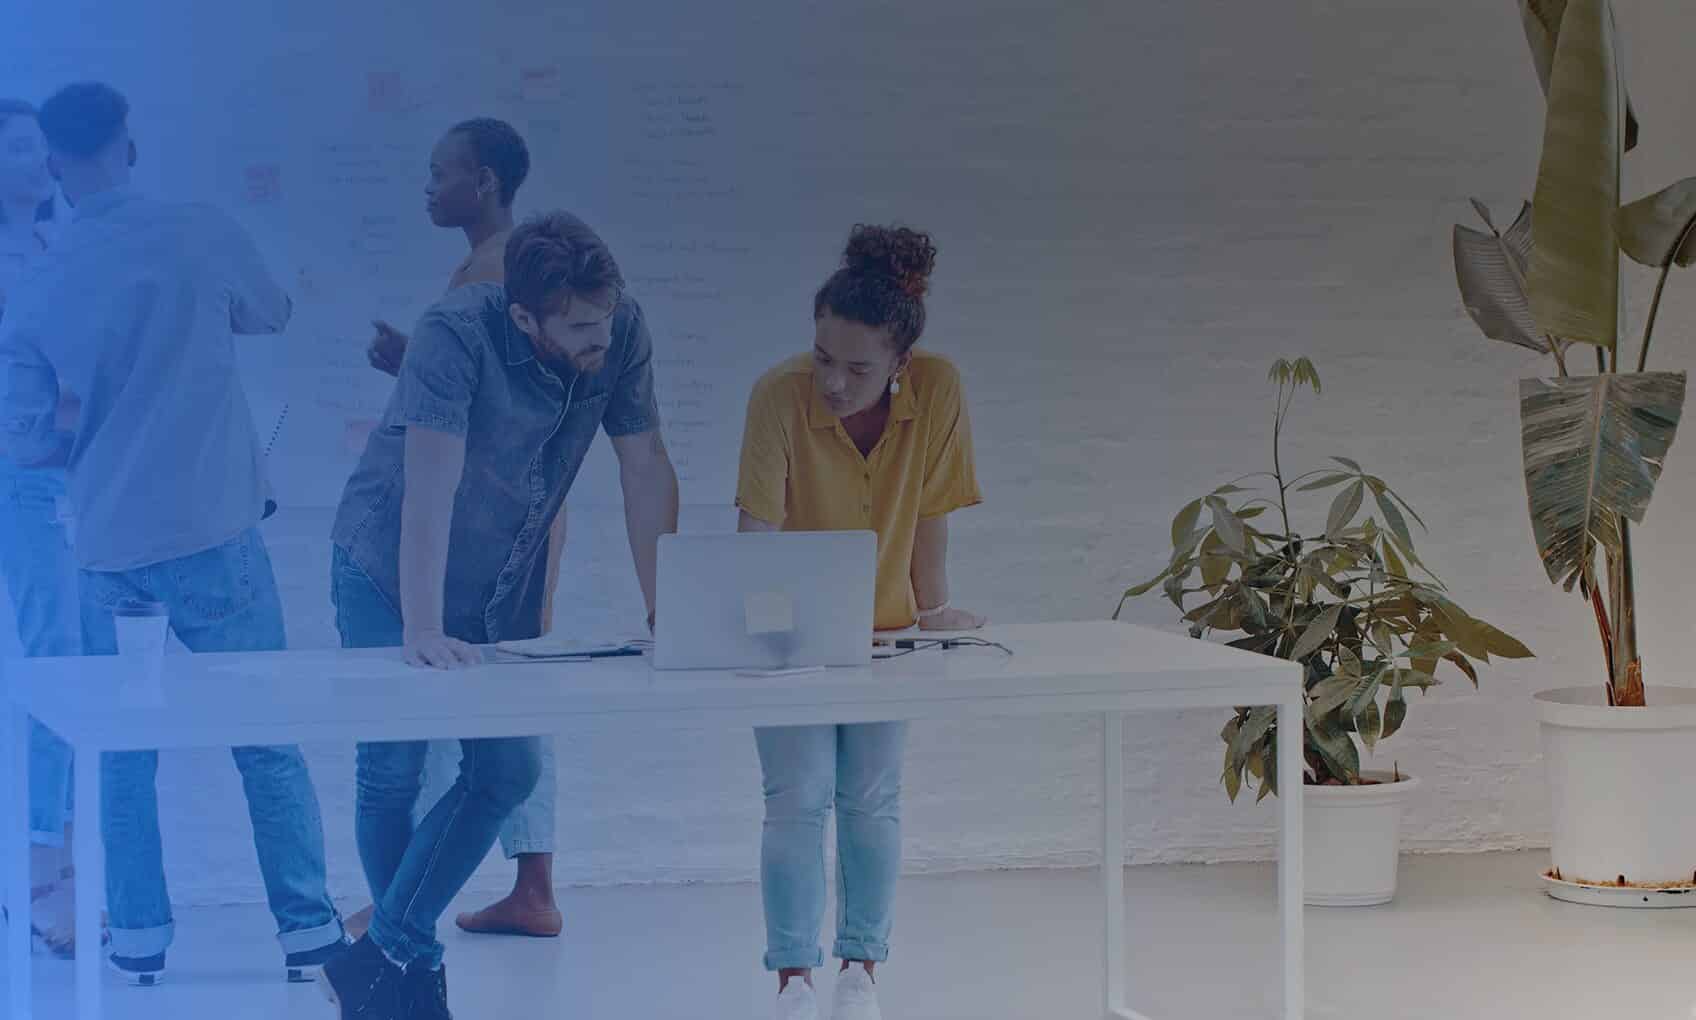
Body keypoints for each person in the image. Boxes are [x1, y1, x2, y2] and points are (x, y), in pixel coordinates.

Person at [0, 81, 348, 987]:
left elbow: (25, 436)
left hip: (109, 545)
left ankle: (140, 943)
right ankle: (308, 935)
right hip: (217, 531)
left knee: (123, 751)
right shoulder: (198, 229)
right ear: (128, 140)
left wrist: (96, 422)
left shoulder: (37, 278)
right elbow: (270, 311)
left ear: (59, 162)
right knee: (264, 736)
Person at [322, 210, 678, 1019]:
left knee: (508, 769)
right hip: (389, 568)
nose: (601, 338)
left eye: (607, 318)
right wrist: (419, 628)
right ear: (524, 315)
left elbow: (646, 465)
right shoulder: (455, 333)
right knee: (393, 768)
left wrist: (671, 610)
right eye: (582, 327)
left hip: (500, 575)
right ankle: (406, 986)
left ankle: (383, 959)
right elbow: (430, 485)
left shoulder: (620, 332)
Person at [734, 225, 986, 1020]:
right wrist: (764, 641)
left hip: (890, 633)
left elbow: (932, 514)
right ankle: (793, 982)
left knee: (873, 798)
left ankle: (860, 975)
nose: (834, 383)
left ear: (901, 365)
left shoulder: (939, 389)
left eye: (858, 368)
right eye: (822, 359)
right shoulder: (777, 396)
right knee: (796, 797)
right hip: (790, 639)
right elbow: (756, 544)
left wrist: (934, 610)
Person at [344, 117, 570, 944]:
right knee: (492, 725)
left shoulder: (495, 272)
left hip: (488, 542)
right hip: (499, 536)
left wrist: (411, 363)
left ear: (484, 181)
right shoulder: (496, 271)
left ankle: (404, 910)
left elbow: (484, 416)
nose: (428, 186)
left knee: (467, 734)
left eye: (441, 173)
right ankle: (431, 908)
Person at [0, 96, 84, 957]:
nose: (34, 161)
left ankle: (51, 868)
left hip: (78, 473)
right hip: (21, 474)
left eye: (38, 148)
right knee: (55, 658)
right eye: (17, 148)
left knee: (83, 665)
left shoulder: (68, 242)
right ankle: (38, 879)